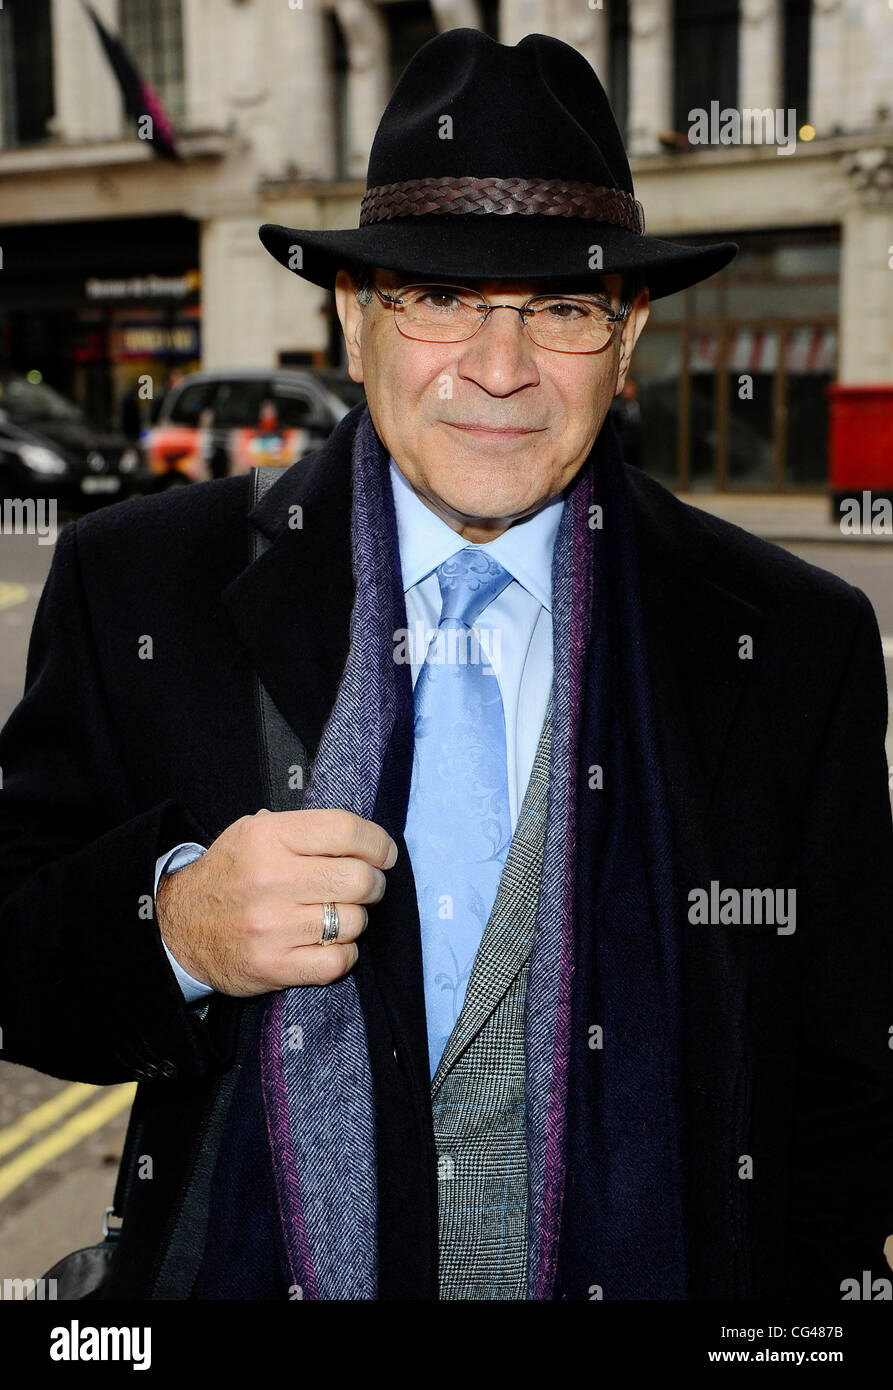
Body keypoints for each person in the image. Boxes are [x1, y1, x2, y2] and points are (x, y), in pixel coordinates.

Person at [1, 29, 891, 1303]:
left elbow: (844, 1092)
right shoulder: (139, 581)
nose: (499, 367)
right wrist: (177, 920)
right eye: (438, 297)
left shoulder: (793, 638)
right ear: (352, 320)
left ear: (627, 332)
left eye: (562, 308)